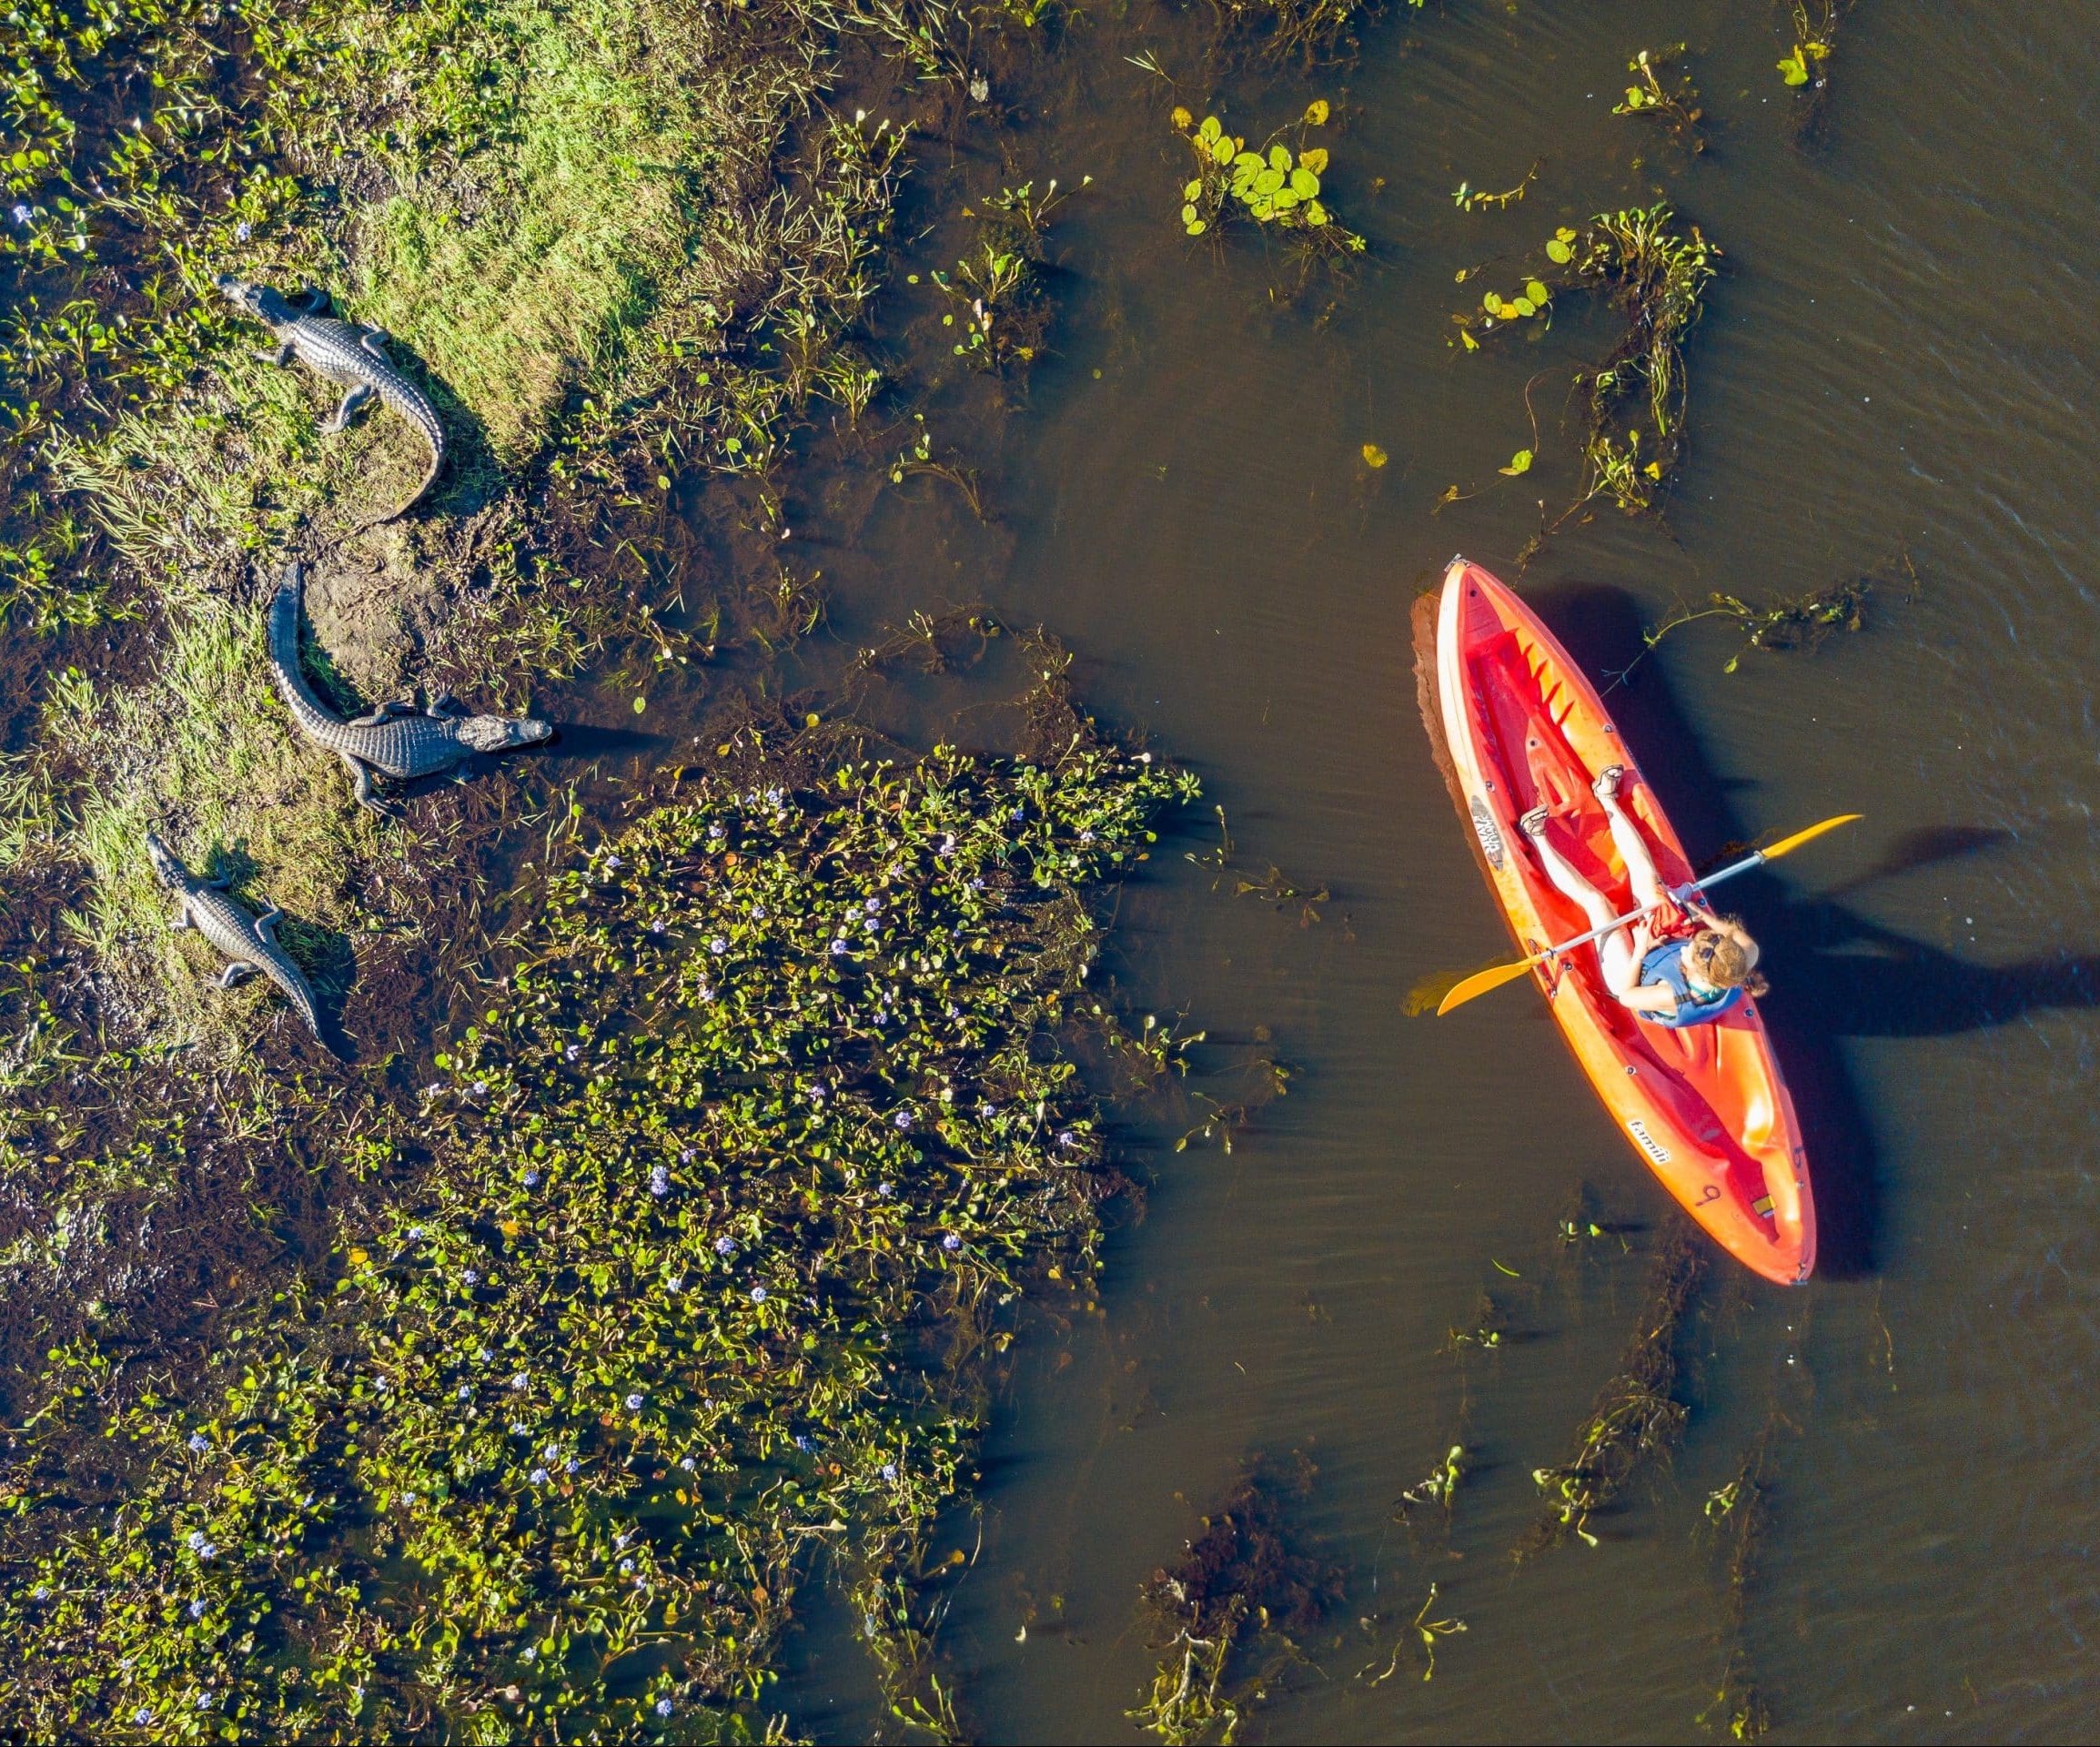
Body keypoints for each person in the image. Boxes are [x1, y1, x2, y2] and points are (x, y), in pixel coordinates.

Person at [1518, 765, 1765, 1027]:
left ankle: (1537, 837)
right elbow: (1732, 935)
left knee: (1597, 902)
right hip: (1665, 946)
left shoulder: (1672, 994)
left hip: (1629, 975)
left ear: (1696, 972)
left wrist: (1641, 947)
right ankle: (1605, 797)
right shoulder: (1745, 954)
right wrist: (1698, 913)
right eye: (1694, 941)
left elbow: (1627, 996)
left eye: (1689, 951)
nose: (1688, 947)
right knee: (1648, 875)